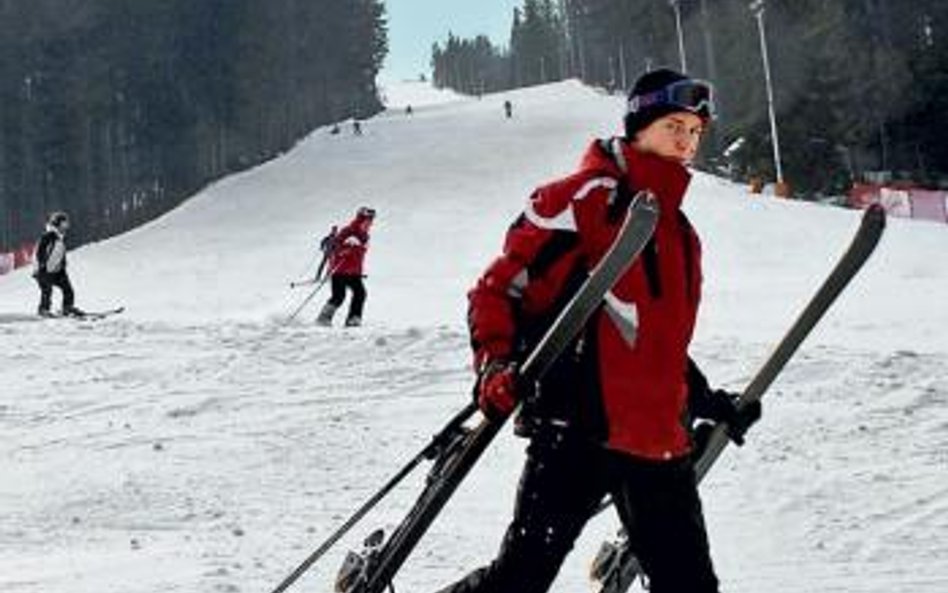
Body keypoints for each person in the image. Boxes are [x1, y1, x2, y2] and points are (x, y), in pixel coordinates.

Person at [436, 69, 761, 593]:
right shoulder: (579, 201)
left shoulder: (680, 234)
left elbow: (653, 345)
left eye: (696, 131)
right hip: (576, 436)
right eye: (674, 125)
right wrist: (494, 365)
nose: (687, 140)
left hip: (659, 448)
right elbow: (496, 293)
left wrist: (708, 401)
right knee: (518, 582)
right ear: (638, 125)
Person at [316, 206, 375, 327]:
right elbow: (334, 248)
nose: (369, 224)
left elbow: (359, 253)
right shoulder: (348, 231)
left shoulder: (365, 236)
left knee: (360, 293)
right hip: (340, 270)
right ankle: (323, 319)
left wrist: (354, 249)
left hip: (354, 272)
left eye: (371, 222)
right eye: (368, 221)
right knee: (338, 296)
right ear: (361, 220)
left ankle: (353, 319)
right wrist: (345, 248)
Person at [32, 211, 83, 317]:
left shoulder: (59, 238)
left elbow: (59, 255)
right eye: (63, 224)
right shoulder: (48, 236)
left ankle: (67, 308)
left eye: (66, 224)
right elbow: (39, 252)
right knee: (47, 290)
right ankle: (43, 309)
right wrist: (41, 267)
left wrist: (62, 267)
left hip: (57, 271)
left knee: (68, 289)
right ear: (56, 223)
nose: (65, 227)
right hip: (43, 270)